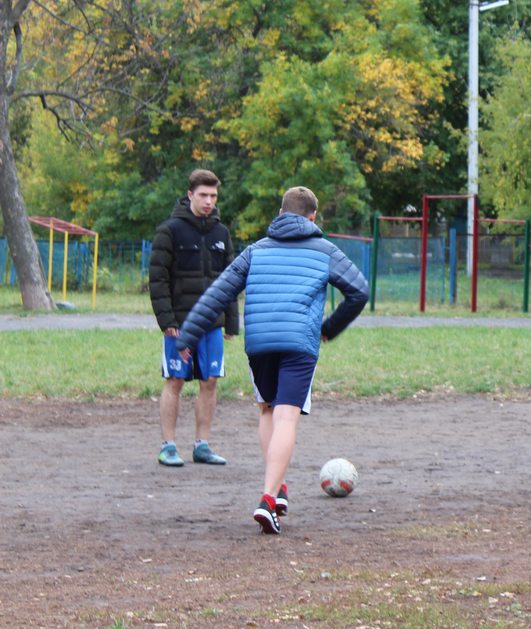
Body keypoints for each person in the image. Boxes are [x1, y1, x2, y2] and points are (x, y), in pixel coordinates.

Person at [177, 186, 369, 534]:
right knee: (287, 416)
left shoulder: (256, 250)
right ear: (313, 217)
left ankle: (277, 487)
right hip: (299, 344)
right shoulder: (325, 250)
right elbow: (359, 290)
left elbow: (219, 293)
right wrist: (329, 327)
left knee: (267, 408)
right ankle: (267, 499)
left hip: (261, 343)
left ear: (280, 214)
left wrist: (188, 334)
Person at [149, 169, 238, 468]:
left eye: (213, 196)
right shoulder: (169, 230)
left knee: (210, 381)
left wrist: (231, 323)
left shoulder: (221, 233)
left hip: (212, 324)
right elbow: (157, 279)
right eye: (203, 195)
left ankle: (202, 445)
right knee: (175, 380)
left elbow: (231, 279)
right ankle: (168, 446)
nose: (209, 201)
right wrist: (167, 321)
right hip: (180, 324)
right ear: (190, 195)